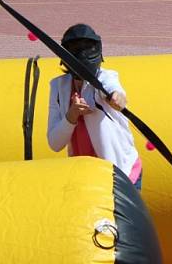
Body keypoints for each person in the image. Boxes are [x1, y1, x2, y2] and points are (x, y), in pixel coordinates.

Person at [47, 23, 143, 190]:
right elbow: (55, 143)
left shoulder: (106, 78)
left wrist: (116, 97)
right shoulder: (58, 87)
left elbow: (113, 89)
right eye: (76, 48)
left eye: (87, 47)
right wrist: (71, 116)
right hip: (87, 177)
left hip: (120, 175)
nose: (83, 52)